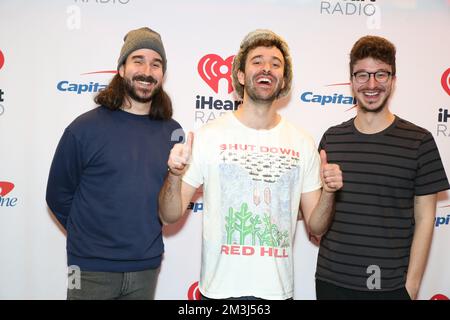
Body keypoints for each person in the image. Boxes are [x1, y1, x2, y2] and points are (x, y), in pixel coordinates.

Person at [158, 29, 343, 300]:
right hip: (219, 292)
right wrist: (174, 174)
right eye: (257, 61)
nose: (266, 67)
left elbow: (316, 227)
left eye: (275, 63)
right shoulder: (209, 136)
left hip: (277, 293)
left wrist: (328, 192)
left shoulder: (302, 143)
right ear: (241, 76)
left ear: (283, 80)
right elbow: (169, 215)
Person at [46, 27, 182, 300]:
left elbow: (170, 200)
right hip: (88, 268)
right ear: (121, 69)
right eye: (138, 61)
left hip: (146, 267)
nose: (147, 70)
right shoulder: (84, 129)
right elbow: (58, 195)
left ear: (162, 75)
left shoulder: (173, 132)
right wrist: (89, 238)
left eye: (156, 64)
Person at [315, 35, 450, 300]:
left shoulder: (419, 141)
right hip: (331, 281)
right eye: (362, 75)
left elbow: (425, 220)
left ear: (393, 79)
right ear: (352, 81)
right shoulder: (332, 138)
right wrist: (328, 190)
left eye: (381, 74)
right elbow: (318, 221)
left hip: (389, 287)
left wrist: (410, 287)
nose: (372, 84)